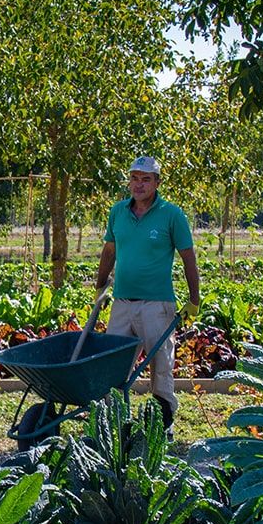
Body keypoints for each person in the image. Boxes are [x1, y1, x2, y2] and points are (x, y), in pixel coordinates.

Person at [95, 155, 200, 431]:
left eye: (146, 179)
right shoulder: (118, 212)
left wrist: (194, 299)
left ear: (157, 183)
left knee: (160, 364)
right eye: (134, 178)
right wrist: (100, 286)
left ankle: (163, 423)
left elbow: (188, 258)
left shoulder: (172, 215)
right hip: (123, 302)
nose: (139, 184)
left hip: (157, 304)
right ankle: (115, 421)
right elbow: (109, 251)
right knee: (114, 363)